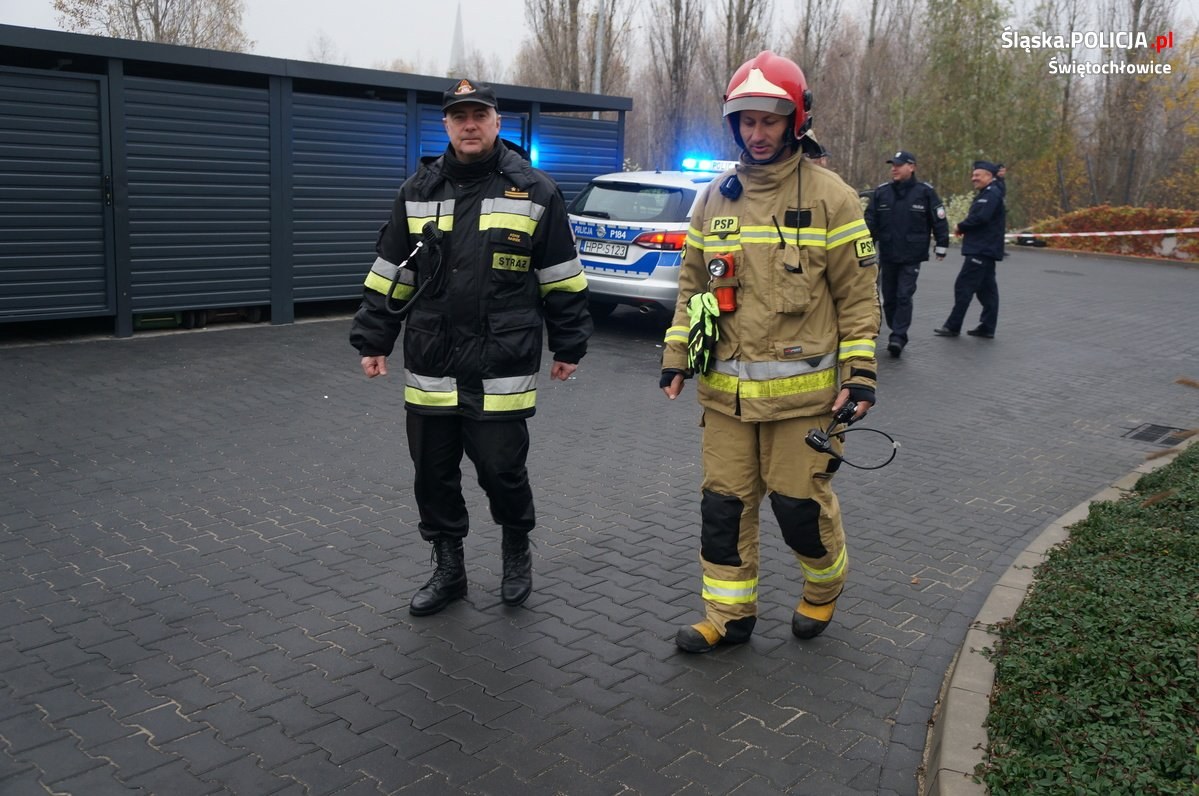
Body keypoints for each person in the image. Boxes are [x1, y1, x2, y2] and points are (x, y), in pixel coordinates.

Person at [659, 51, 880, 653]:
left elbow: (859, 299)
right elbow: (692, 288)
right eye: (747, 121)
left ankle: (823, 587)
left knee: (799, 512)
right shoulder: (713, 199)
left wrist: (859, 377)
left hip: (805, 402)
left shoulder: (833, 198)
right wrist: (677, 355)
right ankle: (729, 617)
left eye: (771, 120)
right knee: (723, 513)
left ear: (795, 121)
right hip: (725, 399)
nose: (757, 133)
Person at [350, 78, 592, 616]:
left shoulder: (534, 191)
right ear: (446, 126)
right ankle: (448, 568)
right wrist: (373, 338)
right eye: (459, 116)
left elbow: (562, 278)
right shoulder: (417, 190)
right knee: (431, 473)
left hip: (500, 361)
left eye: (479, 114)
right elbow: (392, 272)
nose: (469, 124)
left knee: (501, 469)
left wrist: (570, 344)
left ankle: (514, 549)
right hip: (432, 359)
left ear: (496, 121)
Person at [864, 151, 949, 357]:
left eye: (899, 165)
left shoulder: (925, 192)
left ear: (912, 167)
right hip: (888, 254)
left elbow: (938, 219)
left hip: (912, 255)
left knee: (904, 295)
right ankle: (896, 327)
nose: (894, 168)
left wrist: (942, 245)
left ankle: (898, 337)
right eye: (893, 165)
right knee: (890, 298)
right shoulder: (882, 193)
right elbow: (869, 224)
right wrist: (863, 250)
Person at [934, 160, 1006, 339]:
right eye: (973, 175)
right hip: (985, 249)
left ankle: (953, 326)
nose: (973, 178)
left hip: (981, 249)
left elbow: (981, 218)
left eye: (977, 175)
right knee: (986, 290)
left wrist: (961, 226)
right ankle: (987, 327)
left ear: (989, 176)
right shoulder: (989, 192)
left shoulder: (991, 194)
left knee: (963, 286)